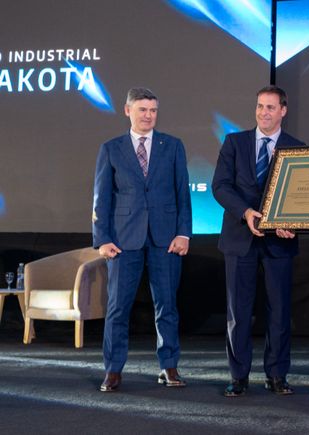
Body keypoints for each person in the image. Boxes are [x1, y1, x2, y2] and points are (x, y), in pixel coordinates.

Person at [92, 87, 192, 392]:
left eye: (153, 110)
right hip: (123, 240)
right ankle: (112, 370)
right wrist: (102, 239)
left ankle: (168, 367)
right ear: (128, 111)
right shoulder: (111, 148)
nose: (148, 116)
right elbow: (101, 198)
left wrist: (184, 232)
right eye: (142, 110)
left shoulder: (172, 146)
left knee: (167, 306)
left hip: (166, 239)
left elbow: (182, 193)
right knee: (118, 308)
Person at [212, 85, 304, 397]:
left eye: (270, 107)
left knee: (279, 311)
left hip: (280, 242)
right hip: (240, 238)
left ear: (283, 110)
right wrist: (246, 212)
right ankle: (238, 376)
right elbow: (221, 187)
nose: (263, 112)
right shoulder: (234, 143)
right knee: (238, 311)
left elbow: (302, 196)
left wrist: (291, 222)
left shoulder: (298, 147)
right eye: (260, 106)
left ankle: (277, 375)